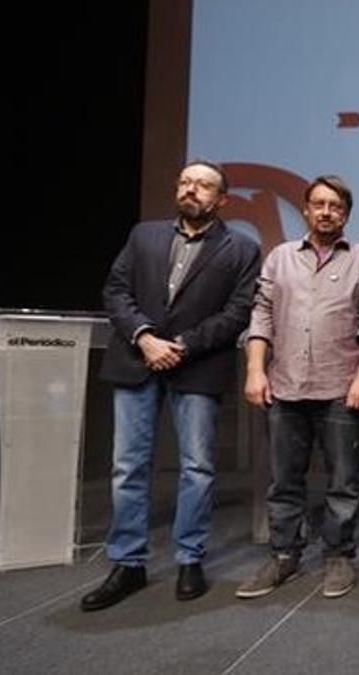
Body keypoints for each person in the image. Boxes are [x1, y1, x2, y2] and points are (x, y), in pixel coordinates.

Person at [83, 160, 261, 611]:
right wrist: (145, 337)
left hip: (195, 365)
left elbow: (238, 313)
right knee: (128, 467)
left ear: (221, 200)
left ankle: (189, 558)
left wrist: (179, 345)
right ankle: (128, 563)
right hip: (136, 359)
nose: (191, 190)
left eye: (203, 185)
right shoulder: (144, 235)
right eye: (185, 181)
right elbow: (116, 291)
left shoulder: (241, 248)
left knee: (197, 468)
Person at [236, 175, 359, 600]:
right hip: (284, 386)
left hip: (341, 386)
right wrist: (255, 370)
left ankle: (339, 556)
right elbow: (261, 315)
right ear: (306, 209)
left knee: (343, 481)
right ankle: (284, 556)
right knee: (284, 480)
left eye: (335, 206)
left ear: (346, 214)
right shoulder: (280, 258)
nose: (326, 211)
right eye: (318, 204)